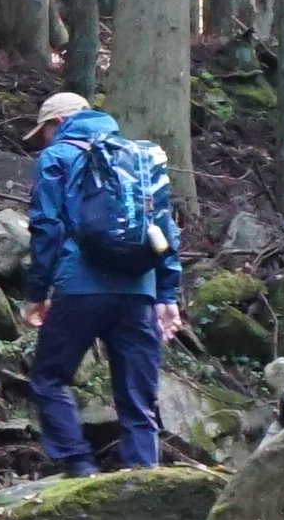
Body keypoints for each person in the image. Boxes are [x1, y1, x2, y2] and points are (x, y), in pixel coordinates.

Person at [20, 88, 186, 472]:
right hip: (138, 289)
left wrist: (37, 292)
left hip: (81, 286)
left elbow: (46, 226)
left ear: (58, 123)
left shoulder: (57, 155)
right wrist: (166, 294)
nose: (44, 139)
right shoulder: (138, 156)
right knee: (137, 394)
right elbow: (163, 229)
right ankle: (143, 473)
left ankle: (80, 467)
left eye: (44, 130)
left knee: (48, 377)